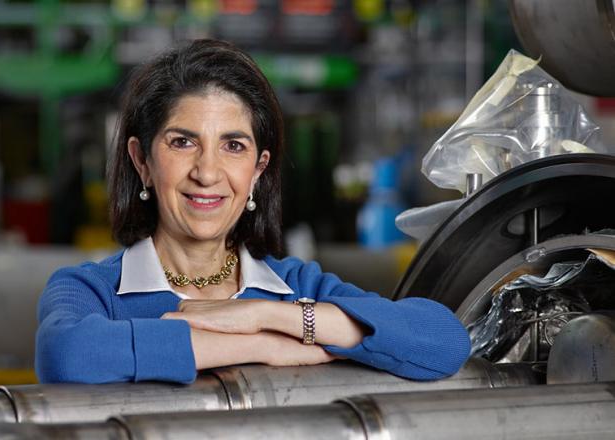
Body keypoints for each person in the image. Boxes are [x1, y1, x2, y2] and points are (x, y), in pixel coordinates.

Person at [35, 39, 471, 384]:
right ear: (142, 161)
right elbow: (68, 354)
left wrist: (265, 315)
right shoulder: (94, 292)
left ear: (259, 170)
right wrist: (263, 346)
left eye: (233, 146)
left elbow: (443, 340)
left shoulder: (296, 287)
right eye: (182, 142)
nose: (207, 172)